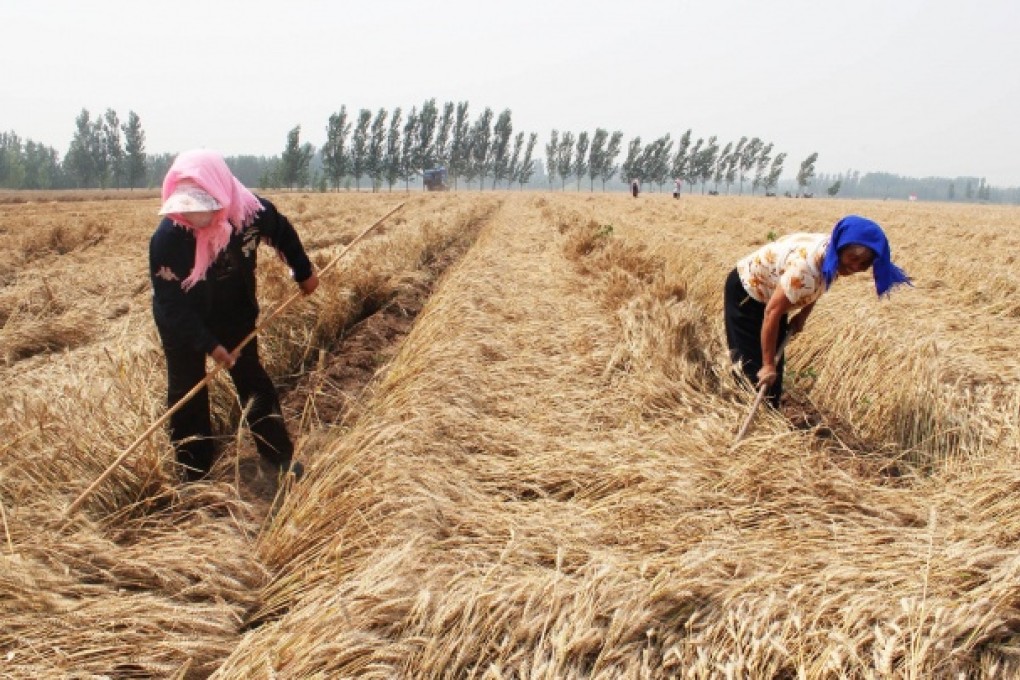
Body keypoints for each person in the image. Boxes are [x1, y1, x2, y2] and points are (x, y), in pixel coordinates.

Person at [149, 150, 319, 482]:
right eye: (188, 207)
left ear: (221, 194)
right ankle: (193, 471)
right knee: (188, 390)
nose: (195, 216)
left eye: (205, 206)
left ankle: (279, 458)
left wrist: (303, 271)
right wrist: (209, 345)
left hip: (234, 310)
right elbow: (172, 305)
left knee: (252, 379)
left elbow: (282, 233)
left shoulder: (251, 214)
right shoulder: (168, 238)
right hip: (183, 322)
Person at [724, 215, 910, 408]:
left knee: (773, 375)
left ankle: (770, 412)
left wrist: (803, 315)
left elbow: (821, 283)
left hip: (775, 295)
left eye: (864, 264)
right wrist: (768, 364)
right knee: (752, 367)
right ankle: (741, 413)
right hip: (748, 293)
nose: (855, 267)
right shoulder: (806, 268)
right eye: (853, 259)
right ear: (841, 248)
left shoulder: (832, 258)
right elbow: (772, 312)